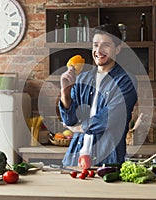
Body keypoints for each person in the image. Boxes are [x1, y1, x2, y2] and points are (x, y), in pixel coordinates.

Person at [58, 24, 138, 169]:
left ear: (117, 49)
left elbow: (109, 118)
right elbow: (69, 120)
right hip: (75, 160)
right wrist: (65, 91)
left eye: (105, 45)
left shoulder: (126, 81)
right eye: (96, 45)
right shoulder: (82, 79)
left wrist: (78, 128)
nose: (99, 51)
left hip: (107, 163)